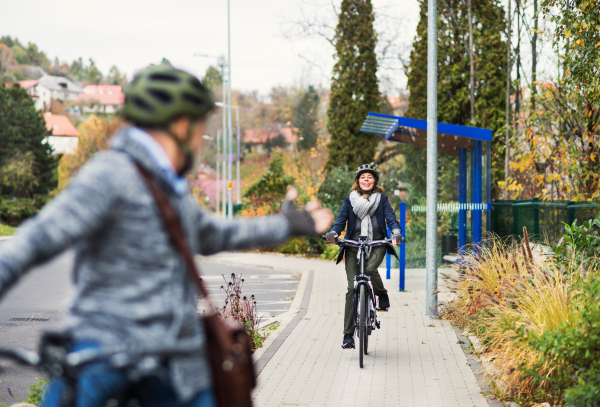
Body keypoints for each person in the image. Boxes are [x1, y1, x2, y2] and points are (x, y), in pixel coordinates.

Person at [0, 65, 332, 407]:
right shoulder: (110, 174)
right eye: (200, 126)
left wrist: (288, 225)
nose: (200, 137)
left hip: (174, 360)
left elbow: (212, 233)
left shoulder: (167, 186)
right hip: (107, 352)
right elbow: (32, 242)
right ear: (181, 124)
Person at [325, 164, 402, 349]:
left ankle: (381, 293)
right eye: (363, 177)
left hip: (376, 244)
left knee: (368, 270)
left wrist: (396, 233)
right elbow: (340, 221)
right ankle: (348, 335)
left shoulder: (382, 200)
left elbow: (391, 220)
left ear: (374, 180)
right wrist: (334, 233)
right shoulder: (349, 200)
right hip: (353, 246)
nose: (366, 180)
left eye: (369, 177)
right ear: (358, 181)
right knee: (352, 287)